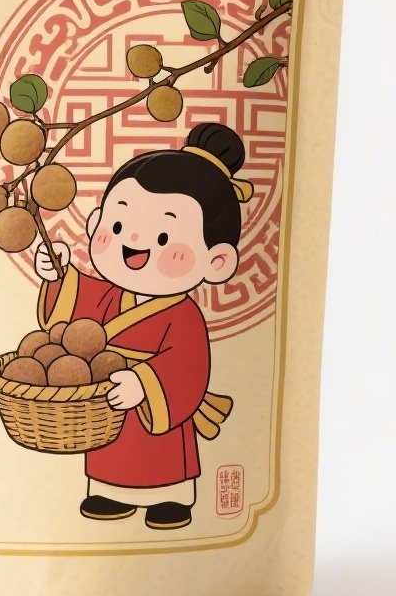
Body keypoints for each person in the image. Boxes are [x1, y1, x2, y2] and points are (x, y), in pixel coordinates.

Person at [35, 122, 250, 529]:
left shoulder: (182, 316)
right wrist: (57, 275)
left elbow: (187, 368)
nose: (133, 243)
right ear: (96, 223)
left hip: (154, 407)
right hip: (105, 405)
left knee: (160, 457)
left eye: (165, 236)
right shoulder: (107, 296)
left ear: (216, 261)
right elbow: (75, 317)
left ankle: (171, 497)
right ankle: (107, 491)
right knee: (110, 451)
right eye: (116, 227)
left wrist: (144, 383)